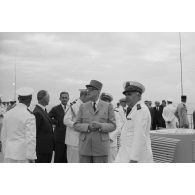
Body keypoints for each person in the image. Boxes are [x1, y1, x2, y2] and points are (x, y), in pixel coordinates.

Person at [74, 80, 116, 163]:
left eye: (91, 89)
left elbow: (113, 125)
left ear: (98, 92)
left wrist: (101, 126)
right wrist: (87, 127)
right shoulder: (83, 106)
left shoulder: (108, 106)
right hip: (85, 147)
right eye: (88, 89)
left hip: (101, 148)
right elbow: (76, 125)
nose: (88, 91)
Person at [115, 81, 153, 163]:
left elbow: (139, 136)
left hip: (135, 157)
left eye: (129, 94)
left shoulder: (141, 110)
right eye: (125, 95)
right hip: (126, 154)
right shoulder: (135, 109)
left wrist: (134, 159)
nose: (126, 97)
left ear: (138, 95)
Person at [1, 87, 36, 163]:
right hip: (22, 155)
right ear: (30, 99)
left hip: (9, 152)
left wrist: (5, 151)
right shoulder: (29, 116)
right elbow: (31, 138)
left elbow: (3, 136)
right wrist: (31, 157)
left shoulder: (7, 114)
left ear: (18, 99)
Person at [64, 89, 89, 163]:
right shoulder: (74, 105)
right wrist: (77, 126)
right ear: (84, 96)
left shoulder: (84, 105)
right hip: (73, 141)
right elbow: (66, 120)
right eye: (89, 96)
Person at [33, 90, 54, 163]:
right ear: (43, 98)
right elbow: (34, 132)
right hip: (41, 150)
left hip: (46, 149)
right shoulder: (37, 112)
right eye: (48, 97)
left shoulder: (43, 110)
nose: (49, 99)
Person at [49, 92, 69, 163]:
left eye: (66, 97)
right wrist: (56, 122)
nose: (64, 99)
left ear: (68, 98)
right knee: (58, 157)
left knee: (67, 158)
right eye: (63, 97)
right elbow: (48, 118)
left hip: (69, 137)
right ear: (60, 98)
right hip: (59, 138)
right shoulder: (55, 108)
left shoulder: (71, 108)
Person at [100, 92, 121, 163]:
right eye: (103, 101)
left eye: (106, 101)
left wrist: (110, 138)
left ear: (109, 102)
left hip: (111, 143)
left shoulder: (115, 112)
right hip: (99, 142)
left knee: (111, 161)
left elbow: (118, 127)